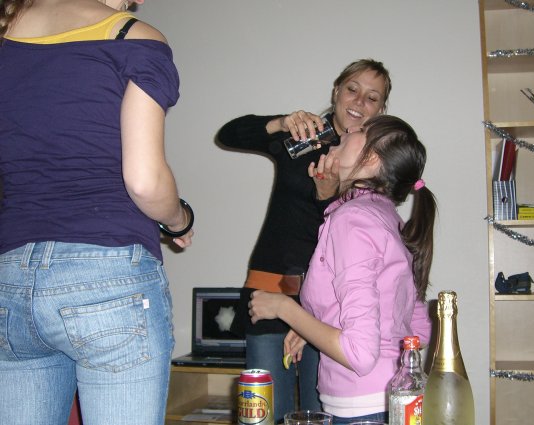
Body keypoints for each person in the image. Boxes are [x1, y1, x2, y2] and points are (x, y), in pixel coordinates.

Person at [0, 1, 193, 425]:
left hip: (9, 278)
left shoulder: (7, 32)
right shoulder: (133, 37)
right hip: (106, 275)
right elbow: (144, 181)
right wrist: (180, 219)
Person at [217, 59, 392, 422]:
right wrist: (282, 122)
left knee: (318, 412)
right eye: (352, 89)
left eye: (372, 97)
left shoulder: (374, 159)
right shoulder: (304, 135)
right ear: (336, 91)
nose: (359, 101)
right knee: (264, 413)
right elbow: (228, 134)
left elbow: (356, 234)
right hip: (270, 291)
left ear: (381, 108)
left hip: (329, 304)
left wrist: (327, 197)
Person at [249, 114, 436, 425]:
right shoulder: (388, 219)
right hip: (396, 402)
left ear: (372, 158)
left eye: (361, 130)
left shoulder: (353, 220)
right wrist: (313, 326)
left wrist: (283, 307)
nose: (348, 128)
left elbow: (358, 354)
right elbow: (417, 330)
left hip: (362, 409)